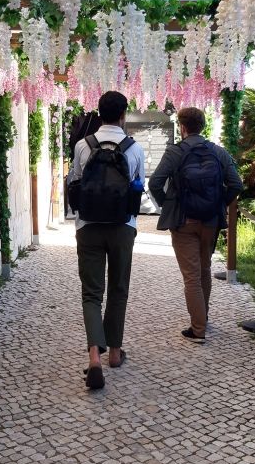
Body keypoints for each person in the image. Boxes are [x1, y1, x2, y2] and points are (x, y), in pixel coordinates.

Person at [70, 91, 146, 389]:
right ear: (123, 114)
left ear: (99, 113)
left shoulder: (82, 145)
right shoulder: (134, 148)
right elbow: (138, 185)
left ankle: (93, 358)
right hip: (122, 227)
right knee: (118, 288)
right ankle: (115, 352)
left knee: (91, 293)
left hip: (87, 225)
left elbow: (74, 181)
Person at [149, 107, 243, 344]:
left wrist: (170, 205)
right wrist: (219, 204)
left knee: (191, 276)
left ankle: (198, 329)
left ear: (182, 127)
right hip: (210, 221)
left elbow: (155, 184)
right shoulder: (218, 152)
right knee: (204, 269)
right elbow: (236, 184)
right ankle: (204, 316)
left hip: (184, 221)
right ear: (202, 125)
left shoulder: (175, 152)